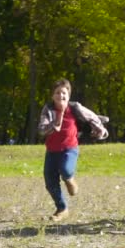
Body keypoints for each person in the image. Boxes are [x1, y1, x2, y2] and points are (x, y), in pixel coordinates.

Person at [38, 78, 109, 221]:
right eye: (57, 93)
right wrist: (53, 124)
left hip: (69, 149)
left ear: (68, 96)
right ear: (53, 96)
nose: (60, 96)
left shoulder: (75, 107)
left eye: (64, 93)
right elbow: (41, 129)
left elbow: (91, 117)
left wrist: (101, 130)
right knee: (50, 182)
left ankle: (70, 180)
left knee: (66, 169)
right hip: (51, 151)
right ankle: (62, 209)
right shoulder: (48, 109)